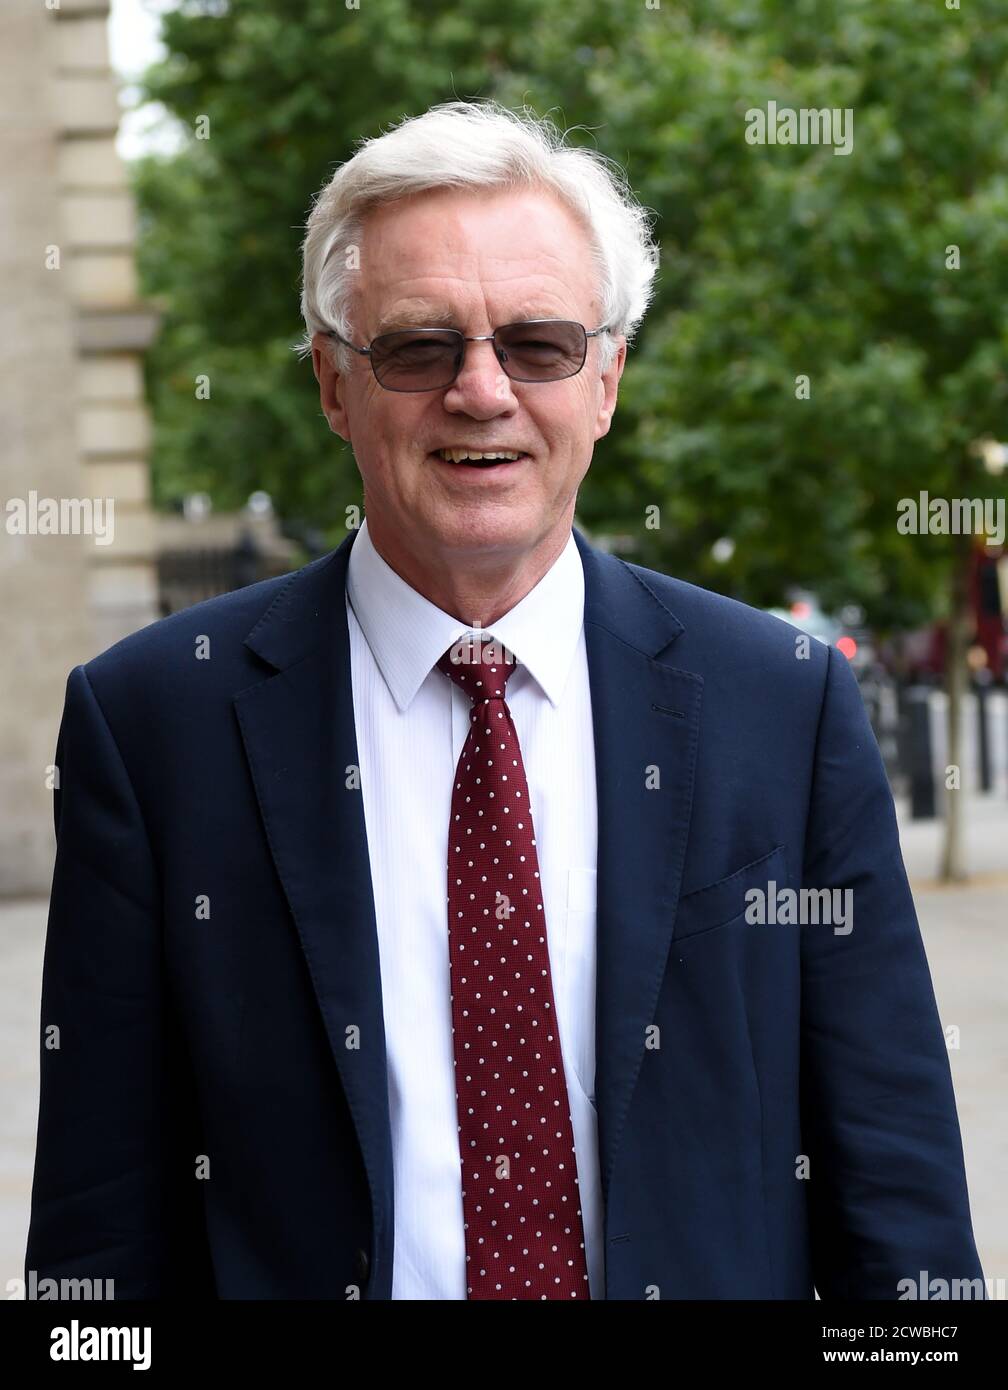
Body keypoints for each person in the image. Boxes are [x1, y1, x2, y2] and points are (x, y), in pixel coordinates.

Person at [26, 100, 983, 1300]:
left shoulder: (781, 706)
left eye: (538, 345)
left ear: (607, 380)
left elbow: (897, 1194)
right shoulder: (155, 725)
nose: (482, 392)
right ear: (332, 382)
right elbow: (97, 1243)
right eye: (420, 348)